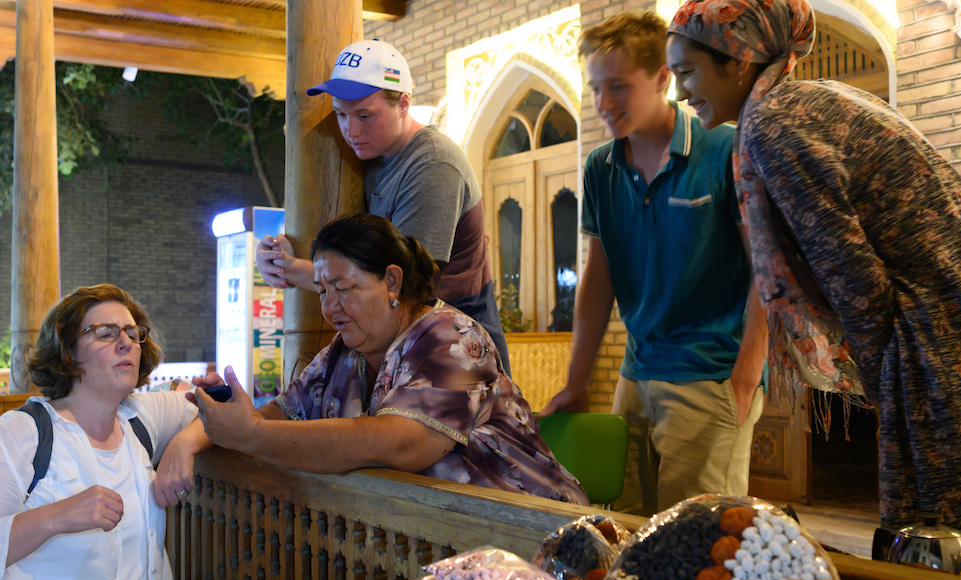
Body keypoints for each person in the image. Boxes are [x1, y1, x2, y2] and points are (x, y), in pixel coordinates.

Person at [666, 0, 961, 564]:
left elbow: (854, 283)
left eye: (687, 73)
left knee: (949, 545)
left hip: (939, 339)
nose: (680, 95)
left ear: (739, 61)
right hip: (960, 318)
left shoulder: (774, 126)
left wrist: (885, 386)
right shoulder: (810, 101)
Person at [539, 11, 768, 516]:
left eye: (618, 86)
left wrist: (746, 378)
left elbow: (765, 275)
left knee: (696, 535)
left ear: (664, 77)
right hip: (636, 373)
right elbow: (598, 284)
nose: (603, 103)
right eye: (597, 88)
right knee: (628, 527)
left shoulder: (725, 149)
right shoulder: (600, 167)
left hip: (710, 376)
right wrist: (576, 382)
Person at [197, 213, 587, 504]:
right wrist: (208, 423)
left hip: (530, 532)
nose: (331, 308)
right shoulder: (343, 351)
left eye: (344, 288)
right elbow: (279, 416)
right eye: (321, 291)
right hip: (425, 542)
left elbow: (402, 442)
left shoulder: (453, 337)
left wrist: (251, 434)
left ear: (392, 282)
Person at [256, 39, 511, 374]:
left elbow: (404, 285)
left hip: (459, 352)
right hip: (403, 348)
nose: (351, 130)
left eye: (365, 115)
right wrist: (276, 256)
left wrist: (293, 269)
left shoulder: (432, 165)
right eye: (341, 115)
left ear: (403, 104)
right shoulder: (371, 157)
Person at [0, 284, 206, 580]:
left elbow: (215, 405)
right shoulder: (23, 432)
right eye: (106, 333)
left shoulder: (140, 418)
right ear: (68, 351)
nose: (126, 342)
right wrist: (57, 516)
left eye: (132, 333)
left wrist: (183, 445)